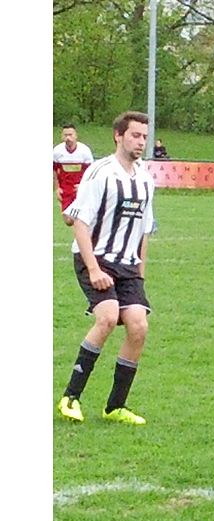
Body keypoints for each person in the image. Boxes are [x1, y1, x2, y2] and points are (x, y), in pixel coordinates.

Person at [56, 111, 157, 426]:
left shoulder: (145, 177)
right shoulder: (101, 172)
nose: (140, 142)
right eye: (135, 135)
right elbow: (79, 223)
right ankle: (71, 397)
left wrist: (140, 271)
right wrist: (94, 269)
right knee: (109, 317)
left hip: (127, 265)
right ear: (119, 135)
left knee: (138, 326)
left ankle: (115, 406)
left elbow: (144, 229)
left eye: (144, 136)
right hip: (95, 258)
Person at [53, 124, 95, 226]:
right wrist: (57, 188)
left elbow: (91, 171)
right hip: (66, 189)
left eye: (70, 135)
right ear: (62, 136)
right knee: (68, 221)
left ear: (76, 135)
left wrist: (84, 186)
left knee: (83, 219)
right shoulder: (57, 151)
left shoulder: (84, 151)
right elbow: (53, 171)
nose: (68, 138)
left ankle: (81, 237)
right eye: (65, 135)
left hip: (80, 189)